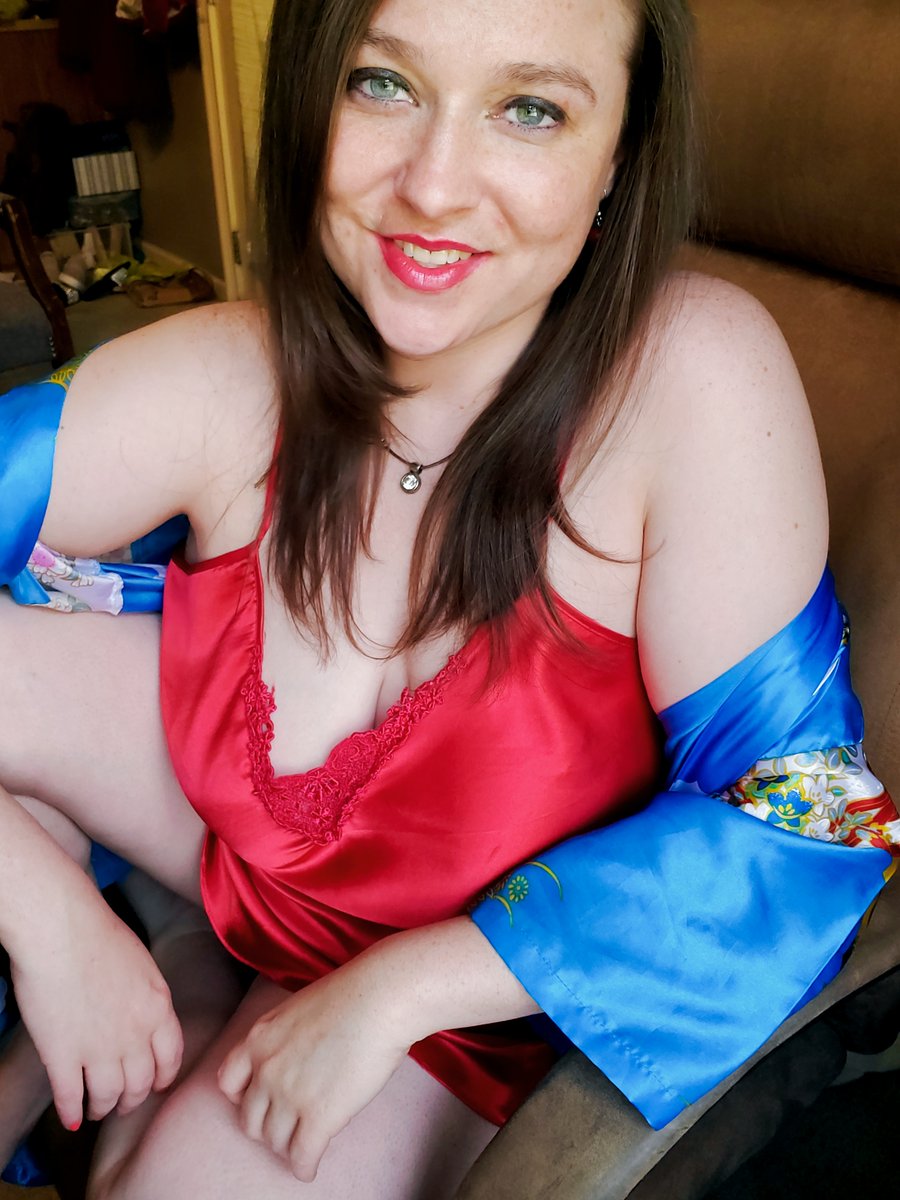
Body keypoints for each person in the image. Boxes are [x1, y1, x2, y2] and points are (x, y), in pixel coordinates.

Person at [0, 0, 896, 1196]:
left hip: (478, 1011)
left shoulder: (693, 379)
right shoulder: (222, 369)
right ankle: (171, 941)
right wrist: (47, 913)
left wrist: (402, 990)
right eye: (384, 85)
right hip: (243, 869)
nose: (432, 187)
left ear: (619, 155)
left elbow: (808, 820)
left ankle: (172, 974)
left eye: (529, 109)